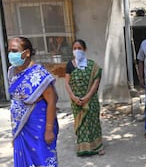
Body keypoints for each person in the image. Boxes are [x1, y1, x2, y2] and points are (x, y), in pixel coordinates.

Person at [8, 37, 59, 166]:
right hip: (20, 126)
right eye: (9, 51)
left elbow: (52, 101)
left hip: (38, 126)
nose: (11, 54)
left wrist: (48, 130)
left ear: (27, 53)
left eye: (14, 51)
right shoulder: (12, 72)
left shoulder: (39, 74)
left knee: (41, 158)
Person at [65, 39, 104, 156]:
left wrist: (87, 97)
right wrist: (73, 97)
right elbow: (67, 83)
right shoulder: (70, 65)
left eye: (79, 48)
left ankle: (98, 147)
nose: (77, 51)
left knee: (93, 122)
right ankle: (83, 148)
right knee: (81, 124)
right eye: (74, 49)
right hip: (76, 101)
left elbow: (96, 82)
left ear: (85, 50)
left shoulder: (93, 66)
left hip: (90, 101)